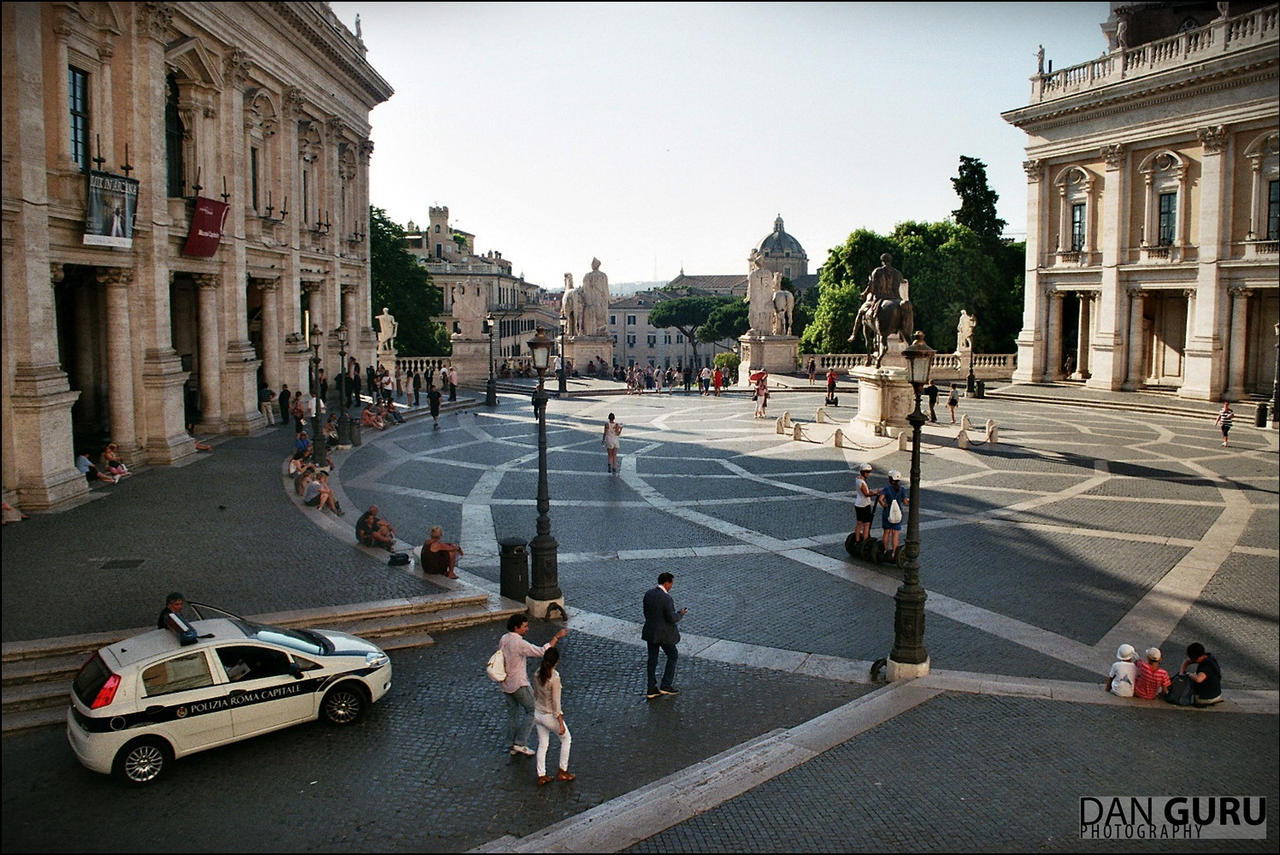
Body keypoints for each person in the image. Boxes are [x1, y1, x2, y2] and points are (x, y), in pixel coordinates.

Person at [499, 614, 568, 758]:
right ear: (516, 628)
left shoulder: (504, 639)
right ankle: (520, 742)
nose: (527, 629)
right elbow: (542, 652)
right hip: (519, 683)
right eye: (524, 626)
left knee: (513, 714)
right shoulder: (519, 643)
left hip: (506, 683)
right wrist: (556, 637)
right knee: (532, 710)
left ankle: (511, 744)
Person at [532, 646, 574, 786]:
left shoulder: (537, 673)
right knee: (566, 739)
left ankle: (541, 774)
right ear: (556, 662)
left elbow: (535, 694)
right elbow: (556, 703)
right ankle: (563, 770)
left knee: (543, 744)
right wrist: (560, 722)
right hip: (549, 715)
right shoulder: (554, 677)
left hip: (537, 713)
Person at [642, 572, 686, 699]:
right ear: (666, 583)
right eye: (671, 583)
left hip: (650, 632)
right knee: (673, 655)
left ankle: (651, 688)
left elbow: (646, 612)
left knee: (652, 659)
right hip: (664, 634)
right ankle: (666, 685)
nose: (671, 586)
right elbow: (672, 618)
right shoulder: (667, 599)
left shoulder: (648, 593)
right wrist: (681, 613)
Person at [1180, 642, 1222, 706]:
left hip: (1206, 698)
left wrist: (1188, 674)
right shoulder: (1209, 657)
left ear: (1196, 657)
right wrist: (1182, 672)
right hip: (1217, 694)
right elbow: (1187, 661)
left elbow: (1199, 679)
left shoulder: (1206, 666)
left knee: (1191, 679)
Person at [879, 470, 908, 556]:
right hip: (897, 514)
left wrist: (884, 505)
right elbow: (905, 502)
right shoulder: (902, 489)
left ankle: (885, 550)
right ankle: (895, 552)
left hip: (888, 513)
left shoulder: (887, 489)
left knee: (886, 532)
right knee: (895, 533)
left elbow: (880, 499)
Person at [853, 463, 880, 546]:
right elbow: (866, 494)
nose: (868, 473)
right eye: (867, 472)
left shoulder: (857, 479)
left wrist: (871, 492)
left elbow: (864, 492)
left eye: (869, 472)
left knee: (859, 523)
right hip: (864, 505)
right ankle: (865, 542)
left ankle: (857, 540)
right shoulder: (862, 482)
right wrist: (876, 493)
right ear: (863, 472)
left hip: (858, 503)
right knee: (867, 524)